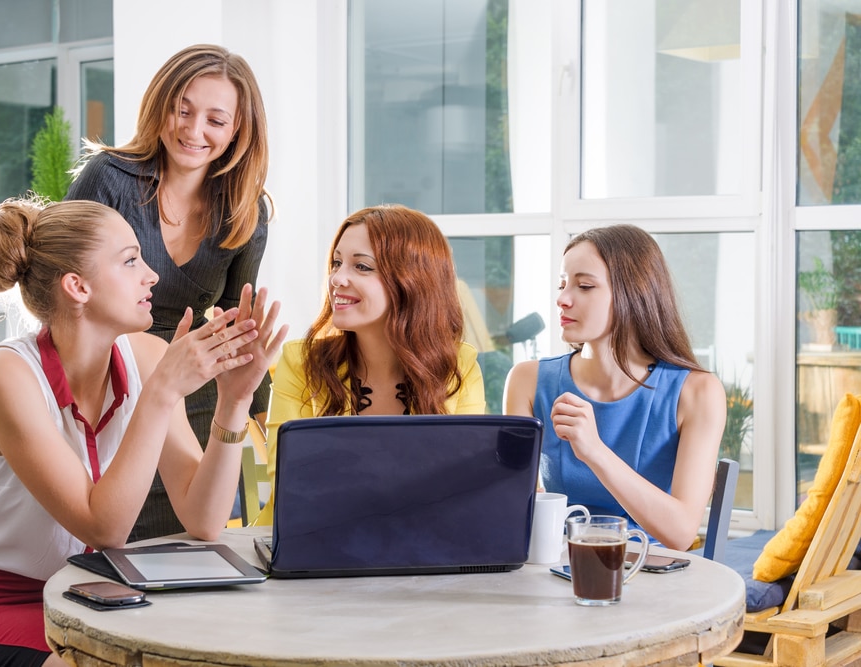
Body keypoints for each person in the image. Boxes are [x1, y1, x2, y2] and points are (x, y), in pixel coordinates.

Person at [0, 197, 287, 667]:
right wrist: (161, 393)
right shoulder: (7, 376)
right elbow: (104, 527)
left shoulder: (147, 355)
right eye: (130, 260)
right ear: (78, 286)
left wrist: (234, 401)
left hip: (87, 594)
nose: (151, 276)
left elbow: (204, 519)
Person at [65, 44, 273, 541]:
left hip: (196, 386)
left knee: (203, 539)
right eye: (182, 109)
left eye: (215, 120)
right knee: (116, 542)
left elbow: (232, 322)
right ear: (161, 104)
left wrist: (255, 416)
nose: (192, 130)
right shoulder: (109, 179)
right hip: (107, 378)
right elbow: (62, 290)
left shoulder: (246, 210)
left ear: (238, 130)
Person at [254, 204, 487, 525]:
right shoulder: (300, 362)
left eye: (361, 267)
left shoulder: (460, 365)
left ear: (413, 281)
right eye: (336, 263)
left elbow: (465, 486)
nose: (337, 278)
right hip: (306, 545)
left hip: (418, 549)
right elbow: (291, 486)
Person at [503, 224, 725, 551]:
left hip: (648, 575)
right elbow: (515, 508)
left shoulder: (699, 392)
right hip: (551, 568)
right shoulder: (527, 381)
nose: (562, 299)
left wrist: (594, 451)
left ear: (632, 293)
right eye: (562, 284)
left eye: (585, 285)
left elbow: (680, 533)